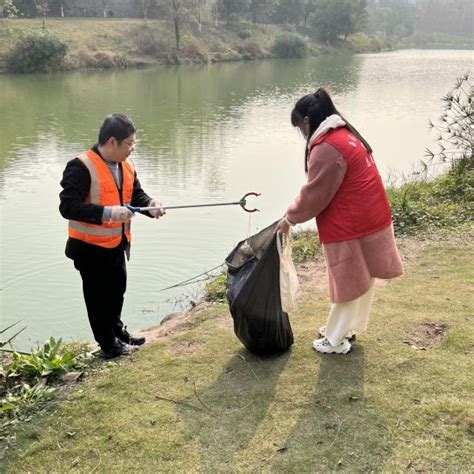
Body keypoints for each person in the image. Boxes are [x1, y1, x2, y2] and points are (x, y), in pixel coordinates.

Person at [275, 88, 403, 354]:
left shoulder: (327, 148)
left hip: (351, 225)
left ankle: (335, 340)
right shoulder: (344, 136)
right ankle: (347, 327)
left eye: (299, 125)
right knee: (360, 279)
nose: (300, 132)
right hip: (370, 218)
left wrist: (289, 218)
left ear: (307, 121)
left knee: (347, 282)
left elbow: (314, 195)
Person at [59, 113, 164, 359]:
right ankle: (107, 345)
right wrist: (107, 213)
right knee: (97, 298)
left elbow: (136, 196)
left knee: (117, 290)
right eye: (129, 144)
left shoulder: (126, 165)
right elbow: (68, 207)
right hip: (89, 248)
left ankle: (117, 332)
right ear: (112, 142)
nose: (133, 149)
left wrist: (151, 204)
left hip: (117, 243)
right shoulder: (81, 166)